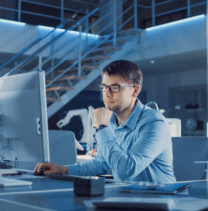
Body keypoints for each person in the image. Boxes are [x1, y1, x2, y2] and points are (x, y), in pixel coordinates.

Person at [34, 60, 176, 183]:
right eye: (104, 87)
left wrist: (102, 128)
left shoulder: (154, 123)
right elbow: (100, 164)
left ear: (135, 90)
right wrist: (62, 170)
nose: (107, 94)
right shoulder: (112, 122)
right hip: (127, 198)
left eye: (115, 88)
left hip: (159, 199)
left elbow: (127, 171)